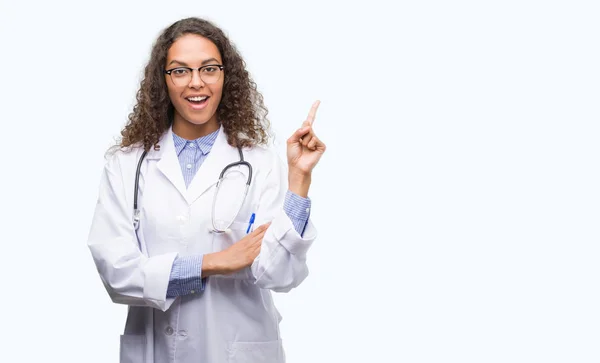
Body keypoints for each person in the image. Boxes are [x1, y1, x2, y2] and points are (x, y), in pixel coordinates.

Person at [87, 17, 325, 363]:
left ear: (225, 76)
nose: (196, 83)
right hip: (156, 350)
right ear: (163, 80)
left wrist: (299, 180)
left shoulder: (259, 162)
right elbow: (116, 272)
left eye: (209, 69)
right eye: (180, 71)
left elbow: (279, 274)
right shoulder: (126, 164)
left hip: (237, 349)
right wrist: (211, 264)